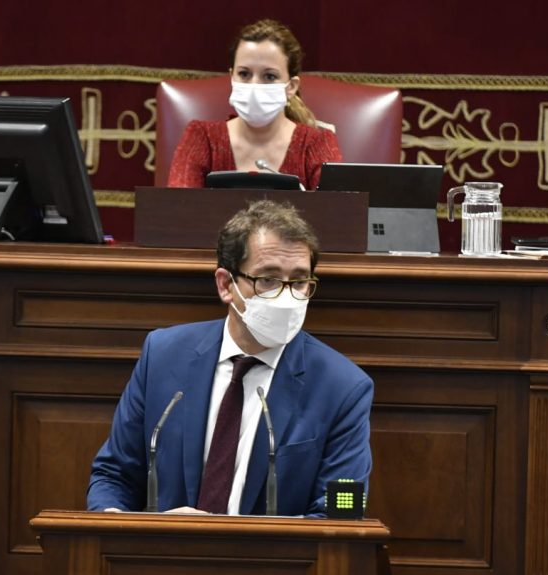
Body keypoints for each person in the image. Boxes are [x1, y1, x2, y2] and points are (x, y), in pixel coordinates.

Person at [87, 200, 372, 516]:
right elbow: (114, 474)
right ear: (226, 285)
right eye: (269, 279)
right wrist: (114, 524)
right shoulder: (164, 355)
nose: (287, 296)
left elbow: (341, 512)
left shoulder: (343, 387)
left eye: (300, 281)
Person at [167, 19, 343, 190]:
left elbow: (339, 213)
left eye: (269, 76)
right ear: (231, 77)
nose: (254, 85)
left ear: (291, 87)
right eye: (244, 74)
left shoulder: (317, 143)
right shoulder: (202, 138)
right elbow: (178, 211)